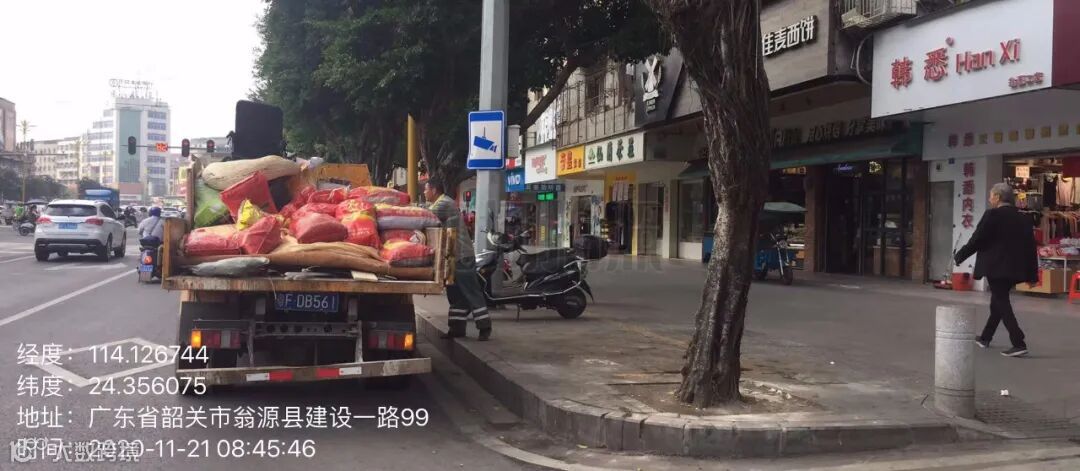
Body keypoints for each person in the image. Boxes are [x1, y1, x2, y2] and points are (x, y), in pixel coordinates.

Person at [954, 183, 1038, 357]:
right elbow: (1031, 247)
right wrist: (1033, 275)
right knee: (998, 301)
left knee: (1001, 301)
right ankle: (985, 337)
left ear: (998, 197)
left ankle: (1018, 342)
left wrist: (960, 255)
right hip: (1015, 268)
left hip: (996, 266)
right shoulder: (1023, 218)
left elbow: (977, 239)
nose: (989, 198)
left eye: (991, 195)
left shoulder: (992, 215)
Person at [425, 181, 491, 341]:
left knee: (471, 291)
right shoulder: (440, 203)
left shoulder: (444, 203)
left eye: (426, 189)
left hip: (462, 255)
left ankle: (484, 327)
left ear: (434, 190)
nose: (425, 192)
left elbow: (425, 216)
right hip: (450, 256)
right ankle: (456, 328)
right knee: (455, 295)